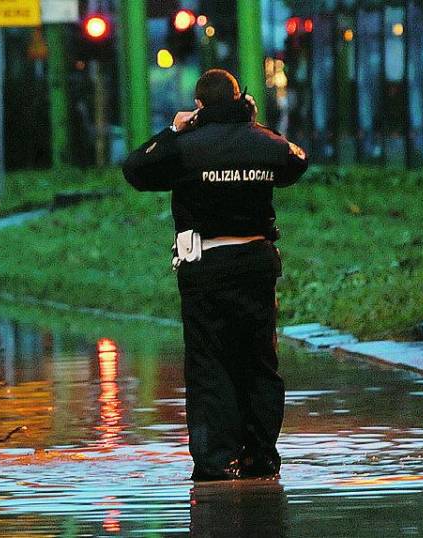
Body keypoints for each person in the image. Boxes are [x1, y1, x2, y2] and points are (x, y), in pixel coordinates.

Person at [122, 69, 308, 480]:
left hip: (205, 270)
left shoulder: (187, 146)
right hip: (257, 266)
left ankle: (216, 461)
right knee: (259, 362)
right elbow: (297, 160)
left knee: (211, 365)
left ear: (200, 105)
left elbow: (135, 168)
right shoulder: (262, 141)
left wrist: (173, 129)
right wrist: (252, 126)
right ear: (241, 100)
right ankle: (262, 457)